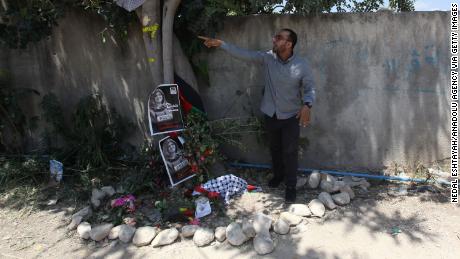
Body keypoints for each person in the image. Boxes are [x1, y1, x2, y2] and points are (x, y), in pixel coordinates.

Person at [199, 29, 315, 202]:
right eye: (274, 36)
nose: (273, 39)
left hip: (291, 116)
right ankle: (278, 176)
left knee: (290, 152)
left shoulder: (302, 65)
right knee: (275, 148)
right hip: (271, 113)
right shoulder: (268, 58)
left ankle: (291, 185)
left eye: (278, 38)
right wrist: (222, 44)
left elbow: (309, 88)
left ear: (289, 44)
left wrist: (307, 105)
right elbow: (244, 54)